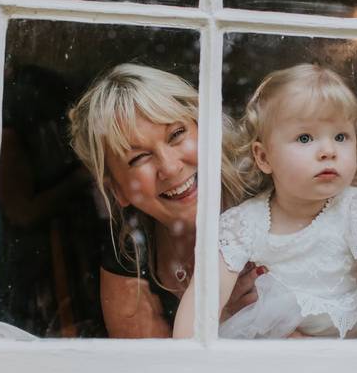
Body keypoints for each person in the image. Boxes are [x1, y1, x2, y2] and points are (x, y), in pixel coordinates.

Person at [173, 64, 357, 339]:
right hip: (283, 363)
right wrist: (186, 362)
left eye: (341, 137)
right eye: (305, 138)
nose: (328, 151)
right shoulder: (242, 223)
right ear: (264, 157)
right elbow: (204, 296)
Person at [68, 63, 264, 338]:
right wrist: (219, 317)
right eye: (138, 158)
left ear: (205, 128)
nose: (170, 167)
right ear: (118, 191)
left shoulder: (274, 202)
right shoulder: (130, 251)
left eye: (176, 134)